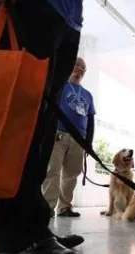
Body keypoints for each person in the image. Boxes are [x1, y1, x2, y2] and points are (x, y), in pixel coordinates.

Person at [0, 0, 87, 254]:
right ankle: (17, 234)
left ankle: (34, 226)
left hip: (69, 18)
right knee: (19, 118)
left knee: (42, 126)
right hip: (32, 7)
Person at [42, 57, 95, 218]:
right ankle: (47, 208)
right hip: (58, 135)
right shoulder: (60, 85)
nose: (79, 70)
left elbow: (90, 118)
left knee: (71, 175)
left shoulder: (87, 95)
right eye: (76, 66)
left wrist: (89, 143)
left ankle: (64, 207)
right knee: (52, 172)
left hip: (79, 139)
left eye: (82, 68)